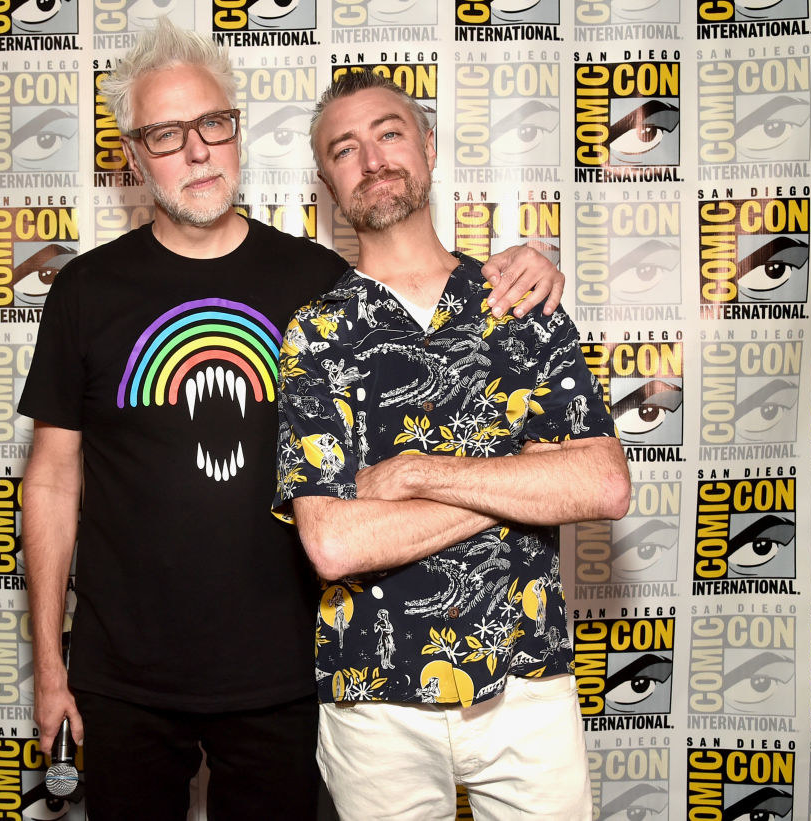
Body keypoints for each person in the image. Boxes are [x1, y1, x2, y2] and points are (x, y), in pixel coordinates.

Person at [18, 15, 568, 821]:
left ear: (237, 134)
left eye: (213, 123)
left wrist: (527, 260)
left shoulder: (319, 282)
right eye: (166, 135)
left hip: (286, 674)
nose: (198, 150)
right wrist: (49, 668)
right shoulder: (85, 290)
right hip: (122, 674)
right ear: (133, 157)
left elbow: (429, 297)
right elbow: (52, 481)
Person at [273, 69, 631, 820]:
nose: (371, 159)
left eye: (389, 133)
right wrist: (525, 480)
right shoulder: (316, 332)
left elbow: (601, 484)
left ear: (429, 147)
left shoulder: (521, 300)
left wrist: (412, 473)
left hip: (526, 680)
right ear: (328, 182)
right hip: (373, 694)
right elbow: (335, 543)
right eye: (345, 149)